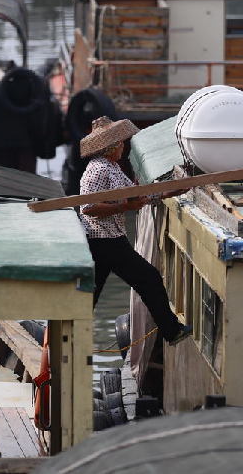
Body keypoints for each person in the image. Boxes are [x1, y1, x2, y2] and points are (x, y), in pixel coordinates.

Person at [79, 116, 192, 346]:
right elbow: (87, 207)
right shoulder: (97, 170)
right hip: (102, 241)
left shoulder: (112, 168)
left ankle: (72, 337)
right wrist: (124, 207)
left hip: (111, 239)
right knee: (149, 279)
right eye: (120, 143)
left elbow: (137, 195)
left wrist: (169, 192)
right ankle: (172, 331)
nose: (123, 146)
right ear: (111, 147)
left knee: (89, 294)